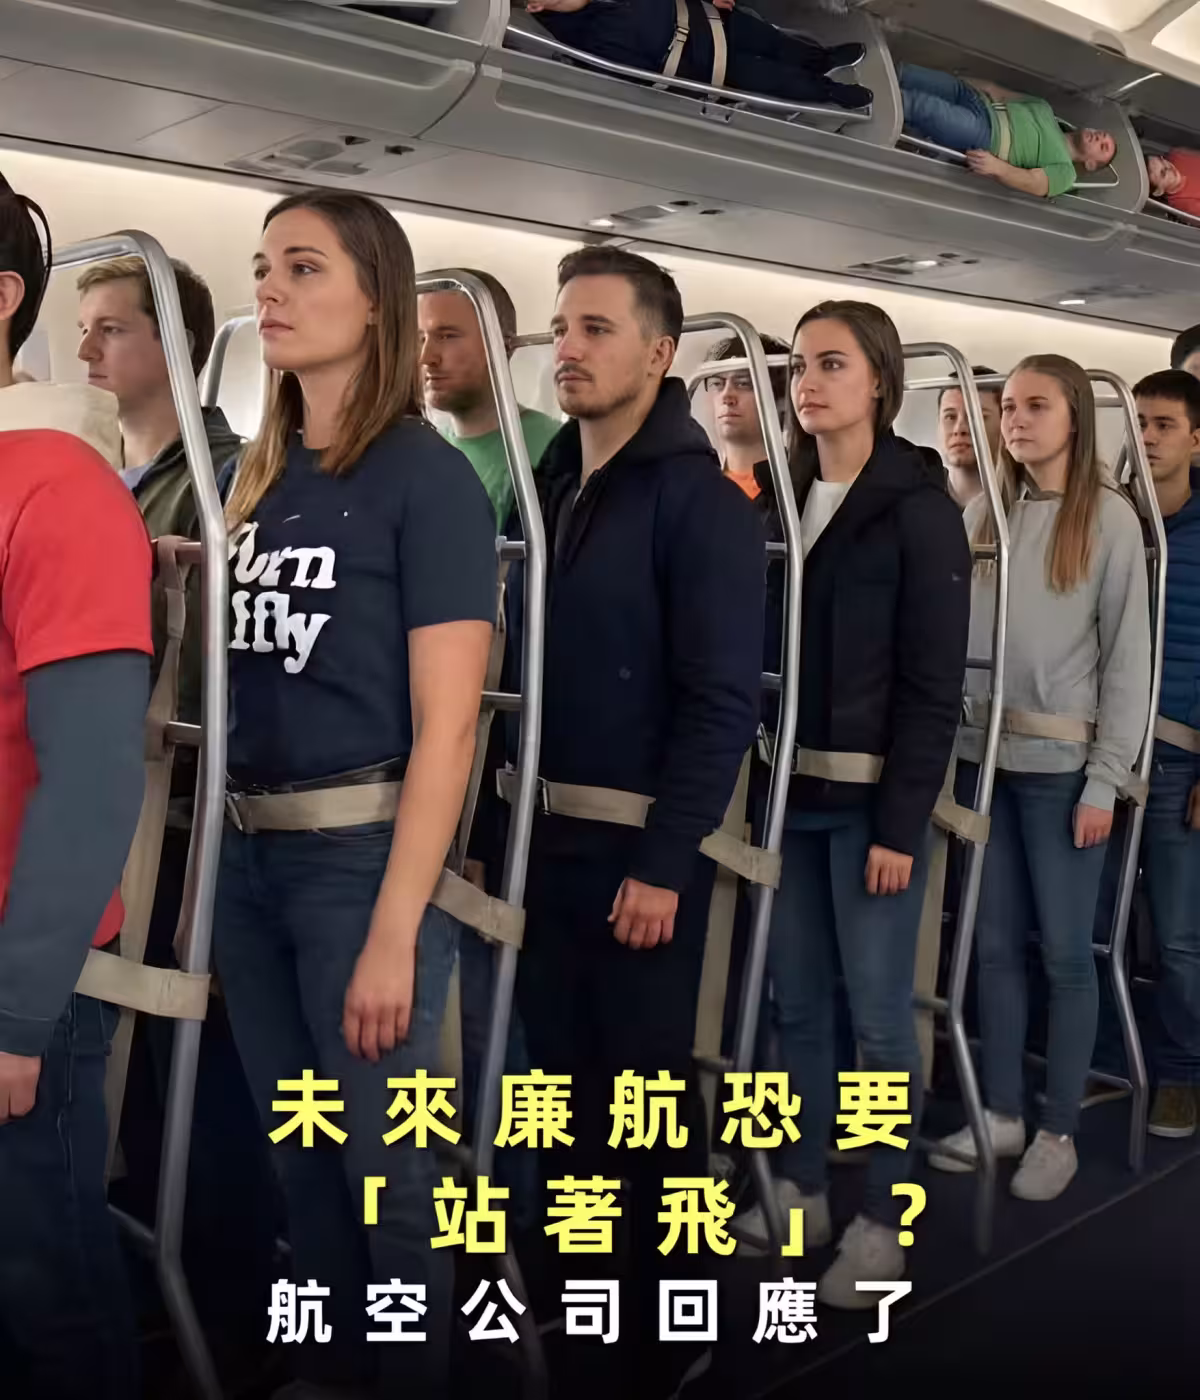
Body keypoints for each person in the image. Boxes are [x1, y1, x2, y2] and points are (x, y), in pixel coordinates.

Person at [212, 189, 496, 1398]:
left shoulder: (427, 481)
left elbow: (449, 729)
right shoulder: (261, 475)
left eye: (304, 267)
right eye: (264, 266)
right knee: (303, 1153)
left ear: (377, 301)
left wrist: (396, 927)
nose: (269, 289)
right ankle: (333, 1371)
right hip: (248, 851)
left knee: (393, 1175)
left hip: (361, 855)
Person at [509, 245, 765, 1392]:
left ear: (660, 355)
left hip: (642, 847)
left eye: (597, 329)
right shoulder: (552, 488)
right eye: (563, 326)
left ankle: (674, 1319)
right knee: (559, 1091)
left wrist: (665, 861)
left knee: (648, 1101)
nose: (568, 347)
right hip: (543, 834)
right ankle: (582, 1297)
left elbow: (720, 702)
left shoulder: (701, 505)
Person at [729, 300, 971, 1305]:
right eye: (799, 365)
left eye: (831, 363)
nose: (808, 383)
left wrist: (903, 824)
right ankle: (804, 1188)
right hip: (789, 791)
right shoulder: (777, 500)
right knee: (795, 1008)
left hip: (874, 806)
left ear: (879, 380)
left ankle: (883, 1216)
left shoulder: (918, 507)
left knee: (878, 1020)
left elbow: (932, 683)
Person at [76, 256, 276, 1383]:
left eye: (111, 328)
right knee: (127, 1056)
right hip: (117, 800)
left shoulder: (230, 479)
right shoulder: (95, 472)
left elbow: (228, 660)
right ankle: (155, 1275)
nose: (88, 350)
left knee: (193, 1062)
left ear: (176, 345)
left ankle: (226, 1306)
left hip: (194, 807)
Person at [931, 354, 1152, 1201]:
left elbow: (1127, 662)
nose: (1015, 420)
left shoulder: (1109, 520)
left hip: (1064, 770)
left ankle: (1058, 1127)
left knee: (1065, 956)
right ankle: (1001, 1111)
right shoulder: (985, 512)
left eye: (1035, 406)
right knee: (991, 950)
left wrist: (1107, 780)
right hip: (983, 761)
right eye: (1009, 408)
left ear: (1074, 419)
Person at [0, 175, 152, 1399]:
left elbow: (95, 779)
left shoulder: (61, 486)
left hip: (19, 972)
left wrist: (14, 1015)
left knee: (44, 1293)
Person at [1107, 370, 1200, 1137]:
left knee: (1176, 935)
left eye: (1164, 424)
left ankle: (1183, 1073)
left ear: (1197, 440)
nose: (1147, 436)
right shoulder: (1114, 524)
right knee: (1093, 924)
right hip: (1106, 750)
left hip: (1178, 756)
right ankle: (1103, 1055)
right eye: (1138, 421)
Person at [516, 0, 873, 111]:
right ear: (535, 5)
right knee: (778, 80)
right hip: (705, 63)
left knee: (778, 44)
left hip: (708, 17)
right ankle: (832, 93)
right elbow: (638, 77)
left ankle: (824, 60)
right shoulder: (583, 44)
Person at [419, 268, 560, 526]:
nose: (426, 357)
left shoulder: (554, 447)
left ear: (502, 347)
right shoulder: (422, 452)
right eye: (421, 338)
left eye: (447, 336)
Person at [897, 64, 1116, 198]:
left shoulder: (1066, 173)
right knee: (909, 74)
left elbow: (1035, 183)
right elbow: (998, 91)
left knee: (921, 106)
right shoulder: (1045, 108)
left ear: (1090, 164)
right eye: (1102, 133)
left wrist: (998, 168)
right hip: (977, 99)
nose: (1100, 137)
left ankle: (879, 101)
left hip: (987, 134)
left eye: (1103, 146)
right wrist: (961, 81)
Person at [702, 330, 790, 500]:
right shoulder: (693, 486)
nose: (727, 396)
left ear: (781, 400)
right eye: (717, 384)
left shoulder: (801, 487)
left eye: (743, 384)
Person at [938, 365, 1003, 509]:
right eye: (950, 417)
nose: (959, 429)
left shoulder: (1027, 504)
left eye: (976, 416)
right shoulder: (914, 498)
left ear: (1005, 424)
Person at [1147, 149, 1200, 220]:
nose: (1169, 166)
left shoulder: (1177, 155)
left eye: (1161, 160)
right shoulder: (1186, 205)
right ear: (1158, 191)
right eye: (1163, 173)